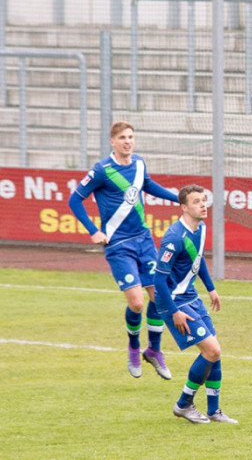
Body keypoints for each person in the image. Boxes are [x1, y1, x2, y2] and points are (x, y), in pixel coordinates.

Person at [68, 121, 179, 379]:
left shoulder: (139, 163)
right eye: (122, 137)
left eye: (131, 137)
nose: (128, 141)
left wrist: (178, 198)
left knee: (159, 297)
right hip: (118, 245)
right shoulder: (102, 170)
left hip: (144, 240)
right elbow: (74, 199)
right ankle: (133, 346)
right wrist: (93, 230)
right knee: (137, 303)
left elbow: (148, 186)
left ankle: (154, 351)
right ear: (112, 142)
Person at [154, 184, 237, 424]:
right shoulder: (173, 238)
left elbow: (198, 261)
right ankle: (183, 404)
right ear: (183, 207)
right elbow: (158, 280)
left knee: (214, 351)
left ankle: (214, 410)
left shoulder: (200, 229)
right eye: (196, 201)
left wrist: (211, 289)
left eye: (204, 200)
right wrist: (174, 312)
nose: (203, 205)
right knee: (212, 350)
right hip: (174, 302)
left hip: (191, 297)